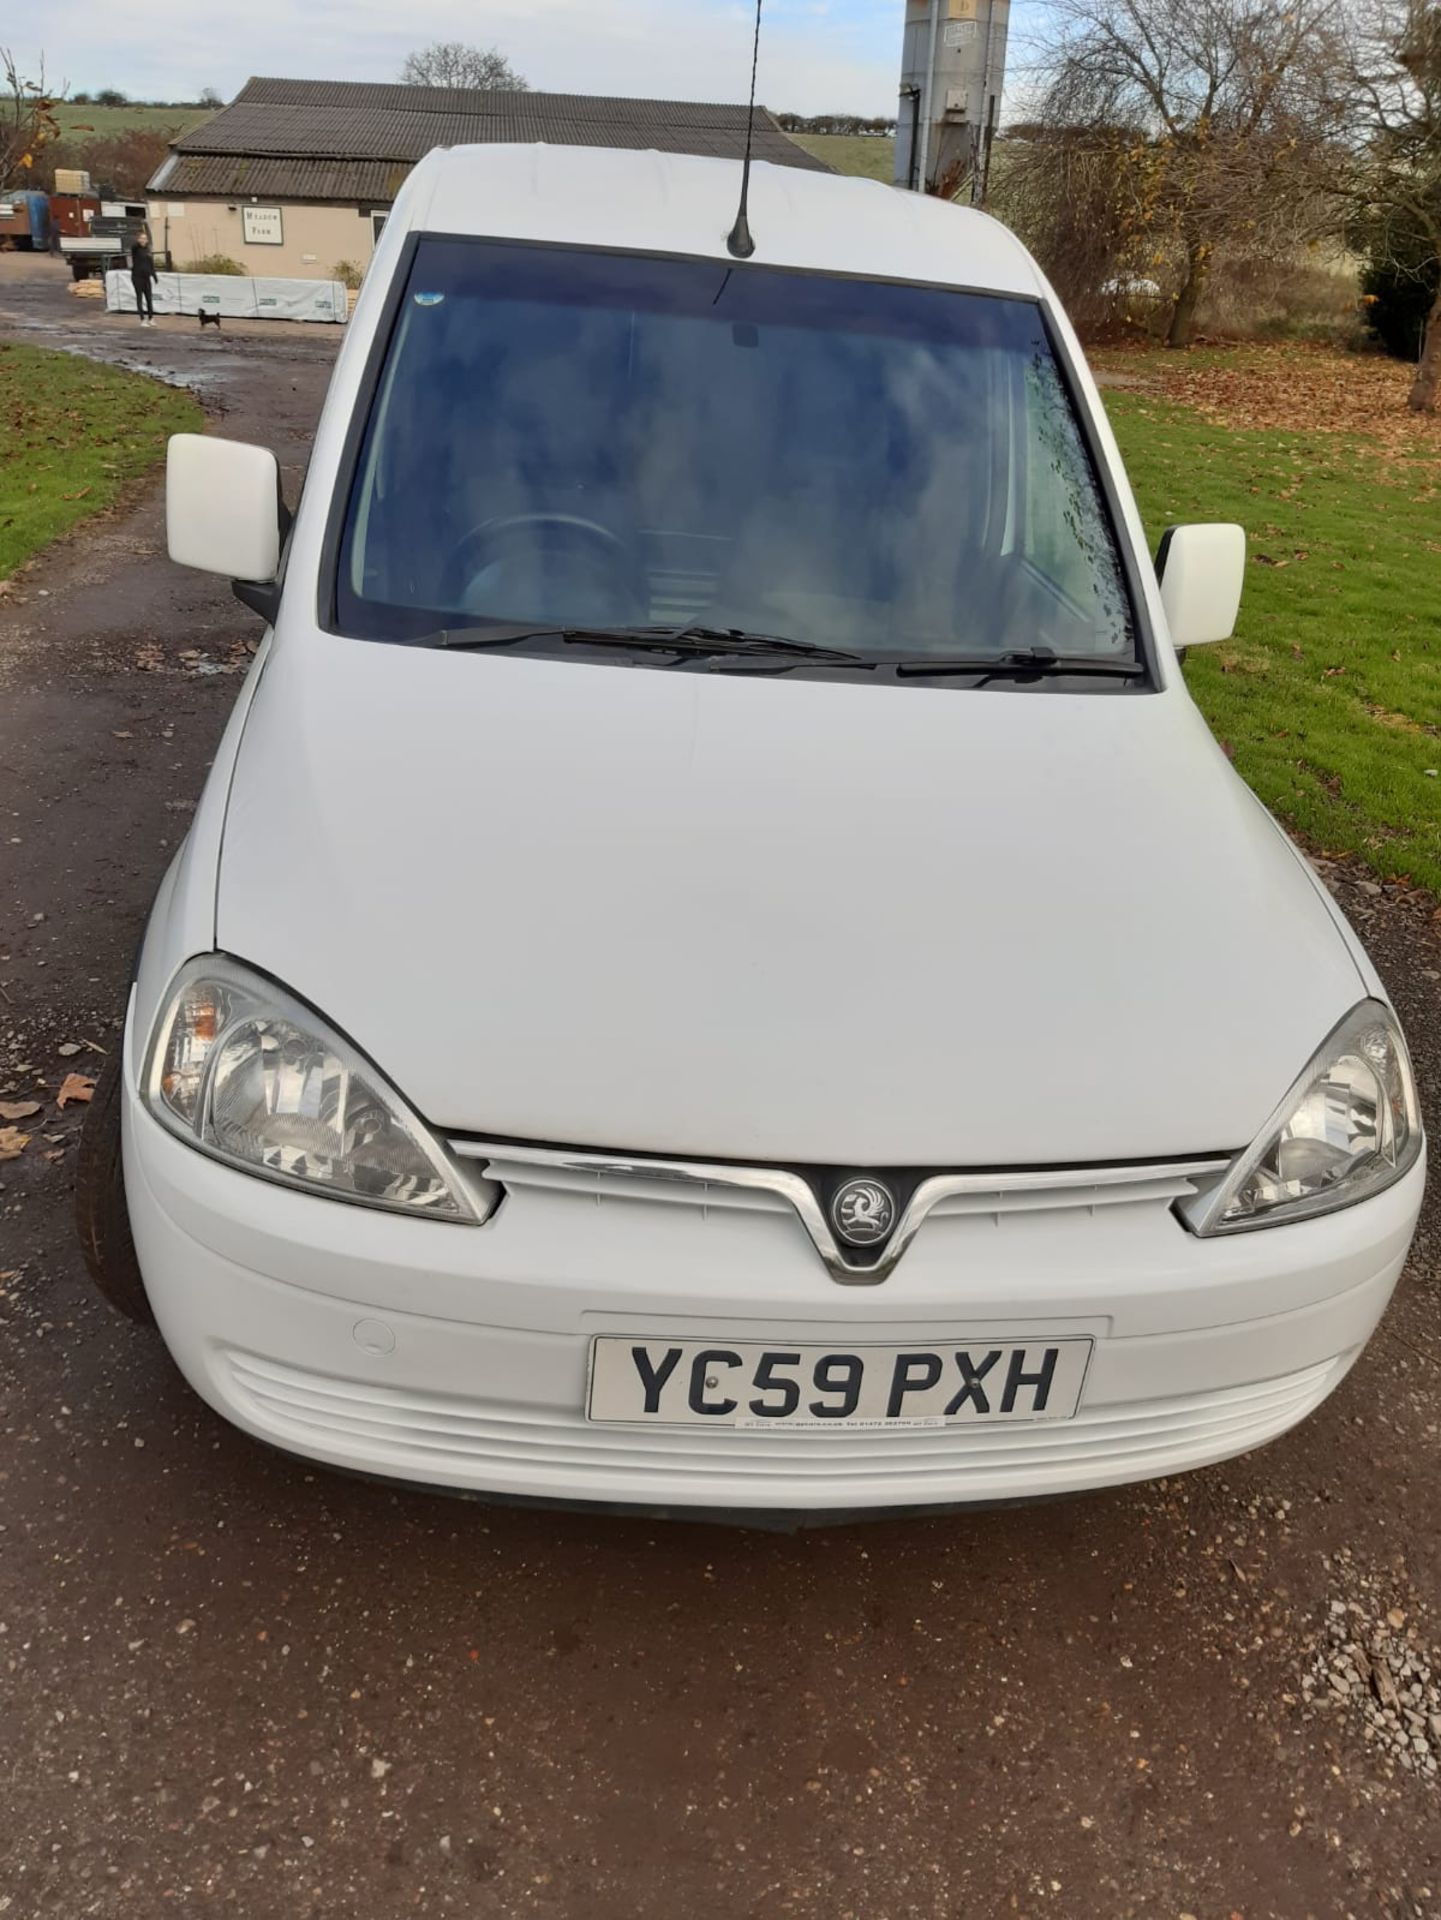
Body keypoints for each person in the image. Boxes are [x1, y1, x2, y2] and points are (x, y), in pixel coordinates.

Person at [130, 229, 158, 327]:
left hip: (146, 277)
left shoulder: (148, 250)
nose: (143, 240)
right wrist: (138, 241)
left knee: (149, 298)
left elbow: (151, 265)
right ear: (138, 239)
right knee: (140, 298)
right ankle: (142, 320)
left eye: (145, 238)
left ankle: (151, 318)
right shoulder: (135, 249)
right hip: (137, 277)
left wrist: (154, 276)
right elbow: (134, 245)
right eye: (141, 238)